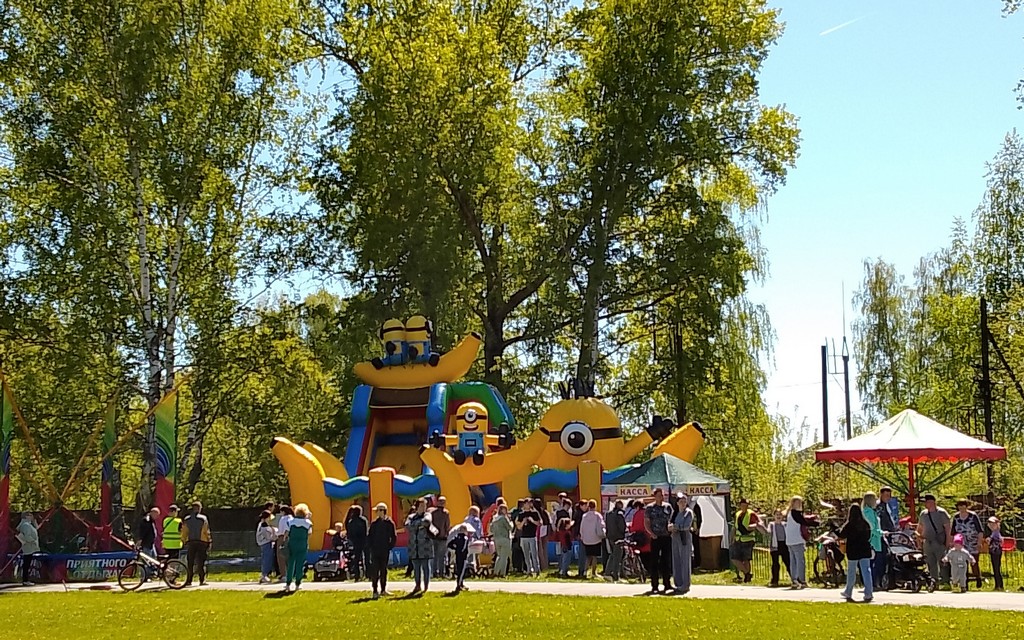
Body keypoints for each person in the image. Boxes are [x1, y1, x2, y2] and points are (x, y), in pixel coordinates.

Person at [838, 502, 873, 603]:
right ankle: (869, 593)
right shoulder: (865, 524)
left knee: (851, 572)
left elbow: (841, 535)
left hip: (853, 550)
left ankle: (848, 591)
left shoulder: (849, 525)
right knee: (866, 571)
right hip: (865, 549)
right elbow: (869, 536)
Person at [916, 494, 951, 587]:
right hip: (927, 542)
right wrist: (918, 540)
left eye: (926, 502)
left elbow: (948, 529)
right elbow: (920, 527)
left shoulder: (942, 513)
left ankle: (945, 582)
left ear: (932, 502)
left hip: (939, 542)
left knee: (943, 562)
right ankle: (933, 583)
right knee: (930, 563)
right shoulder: (923, 514)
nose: (925, 504)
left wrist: (948, 543)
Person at [405, 497, 438, 595]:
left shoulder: (428, 515)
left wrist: (415, 525)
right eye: (422, 505)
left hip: (425, 547)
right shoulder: (411, 516)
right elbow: (407, 526)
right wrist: (419, 525)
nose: (424, 507)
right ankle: (417, 585)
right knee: (416, 568)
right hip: (414, 547)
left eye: (425, 505)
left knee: (426, 567)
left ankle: (426, 586)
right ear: (417, 506)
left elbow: (426, 522)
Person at [644, 488, 674, 594]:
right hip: (655, 537)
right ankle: (654, 585)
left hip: (666, 537)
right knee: (654, 562)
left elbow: (671, 519)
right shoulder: (650, 508)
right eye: (658, 495)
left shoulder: (668, 507)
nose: (660, 497)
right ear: (655, 496)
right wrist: (651, 533)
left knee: (666, 561)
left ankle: (667, 583)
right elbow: (646, 522)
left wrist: (671, 529)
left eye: (662, 495)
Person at [950, 499, 984, 588]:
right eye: (959, 506)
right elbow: (953, 531)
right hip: (961, 544)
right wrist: (952, 543)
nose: (961, 508)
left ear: (966, 506)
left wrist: (979, 542)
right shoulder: (956, 517)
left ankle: (978, 577)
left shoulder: (973, 516)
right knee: (962, 564)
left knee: (974, 562)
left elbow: (980, 530)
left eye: (963, 505)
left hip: (973, 543)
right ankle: (964, 583)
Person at [367, 502, 397, 599]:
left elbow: (393, 536)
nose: (377, 513)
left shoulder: (390, 523)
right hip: (375, 551)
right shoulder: (374, 524)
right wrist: (371, 547)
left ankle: (383, 589)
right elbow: (369, 537)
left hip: (384, 551)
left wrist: (389, 547)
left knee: (383, 570)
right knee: (375, 571)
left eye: (378, 511)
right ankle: (375, 590)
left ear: (383, 511)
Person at [180, 500, 213, 587]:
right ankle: (202, 580)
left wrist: (184, 540)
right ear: (199, 508)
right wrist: (209, 541)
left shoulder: (187, 519)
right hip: (201, 542)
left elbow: (184, 531)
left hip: (191, 542)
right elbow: (206, 531)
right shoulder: (203, 518)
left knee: (190, 562)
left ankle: (189, 580)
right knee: (201, 562)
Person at [283, 503, 312, 592]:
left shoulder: (291, 521)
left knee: (291, 564)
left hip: (292, 543)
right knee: (300, 564)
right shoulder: (308, 523)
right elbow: (309, 533)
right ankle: (298, 583)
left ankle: (288, 583)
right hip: (302, 544)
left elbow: (286, 533)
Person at [670, 493, 694, 595]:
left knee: (685, 560)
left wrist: (675, 527)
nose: (683, 503)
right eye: (681, 502)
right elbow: (670, 523)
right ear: (677, 503)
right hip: (675, 537)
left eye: (684, 501)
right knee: (676, 560)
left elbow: (686, 526)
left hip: (684, 537)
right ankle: (678, 583)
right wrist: (670, 527)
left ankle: (685, 584)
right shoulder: (675, 513)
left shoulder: (688, 512)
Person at [733, 497, 760, 585]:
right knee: (734, 559)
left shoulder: (751, 514)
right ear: (740, 505)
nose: (744, 506)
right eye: (743, 505)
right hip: (738, 539)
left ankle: (747, 578)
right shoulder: (737, 514)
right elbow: (735, 527)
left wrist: (750, 527)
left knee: (746, 559)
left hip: (748, 539)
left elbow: (757, 524)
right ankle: (747, 573)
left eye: (746, 505)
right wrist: (732, 537)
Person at [784, 496, 808, 589]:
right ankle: (802, 580)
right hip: (797, 540)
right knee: (800, 561)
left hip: (790, 540)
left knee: (793, 561)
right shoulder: (795, 513)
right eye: (798, 502)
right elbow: (804, 521)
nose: (799, 504)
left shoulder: (789, 513)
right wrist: (817, 522)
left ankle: (794, 580)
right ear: (793, 503)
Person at [579, 499, 605, 579]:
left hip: (587, 539)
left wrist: (582, 536)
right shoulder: (598, 515)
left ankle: (585, 571)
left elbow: (582, 527)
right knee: (594, 557)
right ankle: (594, 572)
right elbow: (602, 525)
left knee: (588, 556)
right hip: (596, 538)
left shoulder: (584, 516)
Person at [861, 492, 883, 588]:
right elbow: (872, 527)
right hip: (873, 541)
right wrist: (881, 533)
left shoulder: (867, 511)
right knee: (872, 564)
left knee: (871, 563)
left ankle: (871, 583)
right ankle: (871, 583)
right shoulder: (869, 512)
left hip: (872, 541)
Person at [604, 500, 627, 582]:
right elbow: (622, 526)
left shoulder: (609, 514)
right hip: (618, 537)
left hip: (610, 536)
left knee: (612, 555)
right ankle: (615, 576)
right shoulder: (619, 514)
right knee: (617, 557)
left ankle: (607, 573)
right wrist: (624, 532)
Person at [517, 499, 541, 576]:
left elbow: (539, 523)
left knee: (534, 554)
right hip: (524, 537)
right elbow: (519, 527)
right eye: (526, 503)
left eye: (529, 503)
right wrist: (523, 521)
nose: (528, 505)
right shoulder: (521, 514)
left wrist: (532, 521)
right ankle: (529, 569)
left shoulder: (534, 513)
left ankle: (537, 569)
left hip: (532, 536)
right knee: (526, 555)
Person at [345, 504, 369, 581]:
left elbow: (349, 533)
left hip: (355, 542)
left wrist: (352, 540)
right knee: (366, 558)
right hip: (364, 541)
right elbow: (366, 531)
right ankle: (368, 574)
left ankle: (357, 576)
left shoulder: (350, 521)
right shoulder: (363, 520)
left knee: (356, 559)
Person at [489, 503, 514, 577]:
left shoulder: (494, 518)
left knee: (499, 556)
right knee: (504, 557)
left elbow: (491, 529)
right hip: (505, 538)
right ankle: (502, 573)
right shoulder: (503, 518)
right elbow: (509, 527)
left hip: (496, 539)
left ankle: (496, 571)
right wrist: (511, 522)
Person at [15, 512, 40, 586]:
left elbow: (35, 529)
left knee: (27, 563)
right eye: (30, 515)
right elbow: (27, 536)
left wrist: (35, 522)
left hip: (29, 546)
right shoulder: (25, 525)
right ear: (26, 516)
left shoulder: (28, 524)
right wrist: (33, 541)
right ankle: (25, 580)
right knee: (27, 563)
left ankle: (25, 579)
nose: (32, 516)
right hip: (28, 546)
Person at [767, 509, 790, 587]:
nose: (778, 516)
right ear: (774, 516)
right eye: (777, 514)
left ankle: (794, 579)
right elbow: (768, 531)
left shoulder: (785, 524)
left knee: (788, 562)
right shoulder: (771, 524)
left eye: (780, 514)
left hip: (784, 544)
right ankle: (774, 581)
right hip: (775, 545)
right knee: (775, 563)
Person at [431, 496, 451, 578]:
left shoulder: (433, 512)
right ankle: (442, 573)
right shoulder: (446, 513)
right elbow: (447, 525)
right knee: (442, 556)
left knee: (434, 555)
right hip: (443, 537)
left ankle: (434, 572)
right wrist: (447, 533)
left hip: (434, 536)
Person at [448, 523, 472, 592]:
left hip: (457, 555)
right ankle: (458, 585)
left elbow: (450, 544)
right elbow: (464, 547)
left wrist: (455, 548)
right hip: (463, 556)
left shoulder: (456, 537)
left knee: (459, 570)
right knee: (461, 572)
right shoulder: (465, 538)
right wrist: (463, 552)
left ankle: (461, 584)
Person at [256, 510, 277, 584]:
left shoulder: (261, 524)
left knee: (267, 558)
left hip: (264, 543)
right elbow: (269, 537)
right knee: (267, 559)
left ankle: (264, 575)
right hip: (266, 543)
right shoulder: (264, 526)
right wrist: (274, 533)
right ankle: (264, 575)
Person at [275, 505, 294, 581]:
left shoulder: (284, 518)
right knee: (288, 556)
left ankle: (284, 574)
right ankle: (289, 574)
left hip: (282, 537)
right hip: (289, 537)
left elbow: (286, 529)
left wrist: (283, 539)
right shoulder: (291, 518)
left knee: (281, 556)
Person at [986, 516, 1005, 591]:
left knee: (996, 568)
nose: (991, 525)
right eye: (990, 523)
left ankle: (999, 585)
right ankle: (999, 585)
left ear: (997, 524)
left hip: (996, 552)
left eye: (993, 523)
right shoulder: (994, 532)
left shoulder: (996, 533)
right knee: (996, 568)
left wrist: (989, 540)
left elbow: (998, 541)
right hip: (994, 552)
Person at [533, 498, 551, 571]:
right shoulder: (545, 512)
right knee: (544, 550)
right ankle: (545, 565)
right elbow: (549, 522)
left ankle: (541, 565)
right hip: (545, 531)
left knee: (539, 550)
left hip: (539, 531)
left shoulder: (536, 512)